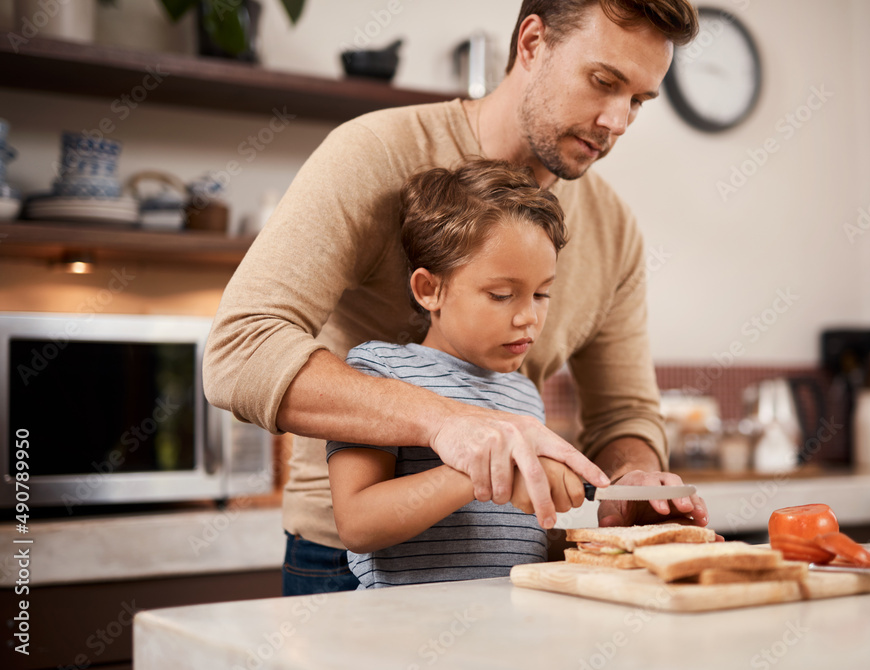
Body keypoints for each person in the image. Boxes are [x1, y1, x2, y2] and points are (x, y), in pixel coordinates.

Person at [203, 0, 706, 597]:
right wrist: (456, 427)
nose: (617, 121)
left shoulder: (614, 228)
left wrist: (631, 480)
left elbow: (624, 413)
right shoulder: (374, 154)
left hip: (511, 573)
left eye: (639, 101)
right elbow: (240, 351)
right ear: (532, 43)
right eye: (603, 82)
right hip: (347, 568)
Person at [327, 159, 585, 589]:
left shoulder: (524, 395)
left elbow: (523, 541)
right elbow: (357, 524)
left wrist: (606, 534)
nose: (529, 318)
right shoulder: (379, 373)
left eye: (542, 294)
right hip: (405, 639)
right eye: (501, 295)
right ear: (430, 290)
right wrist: (478, 465)